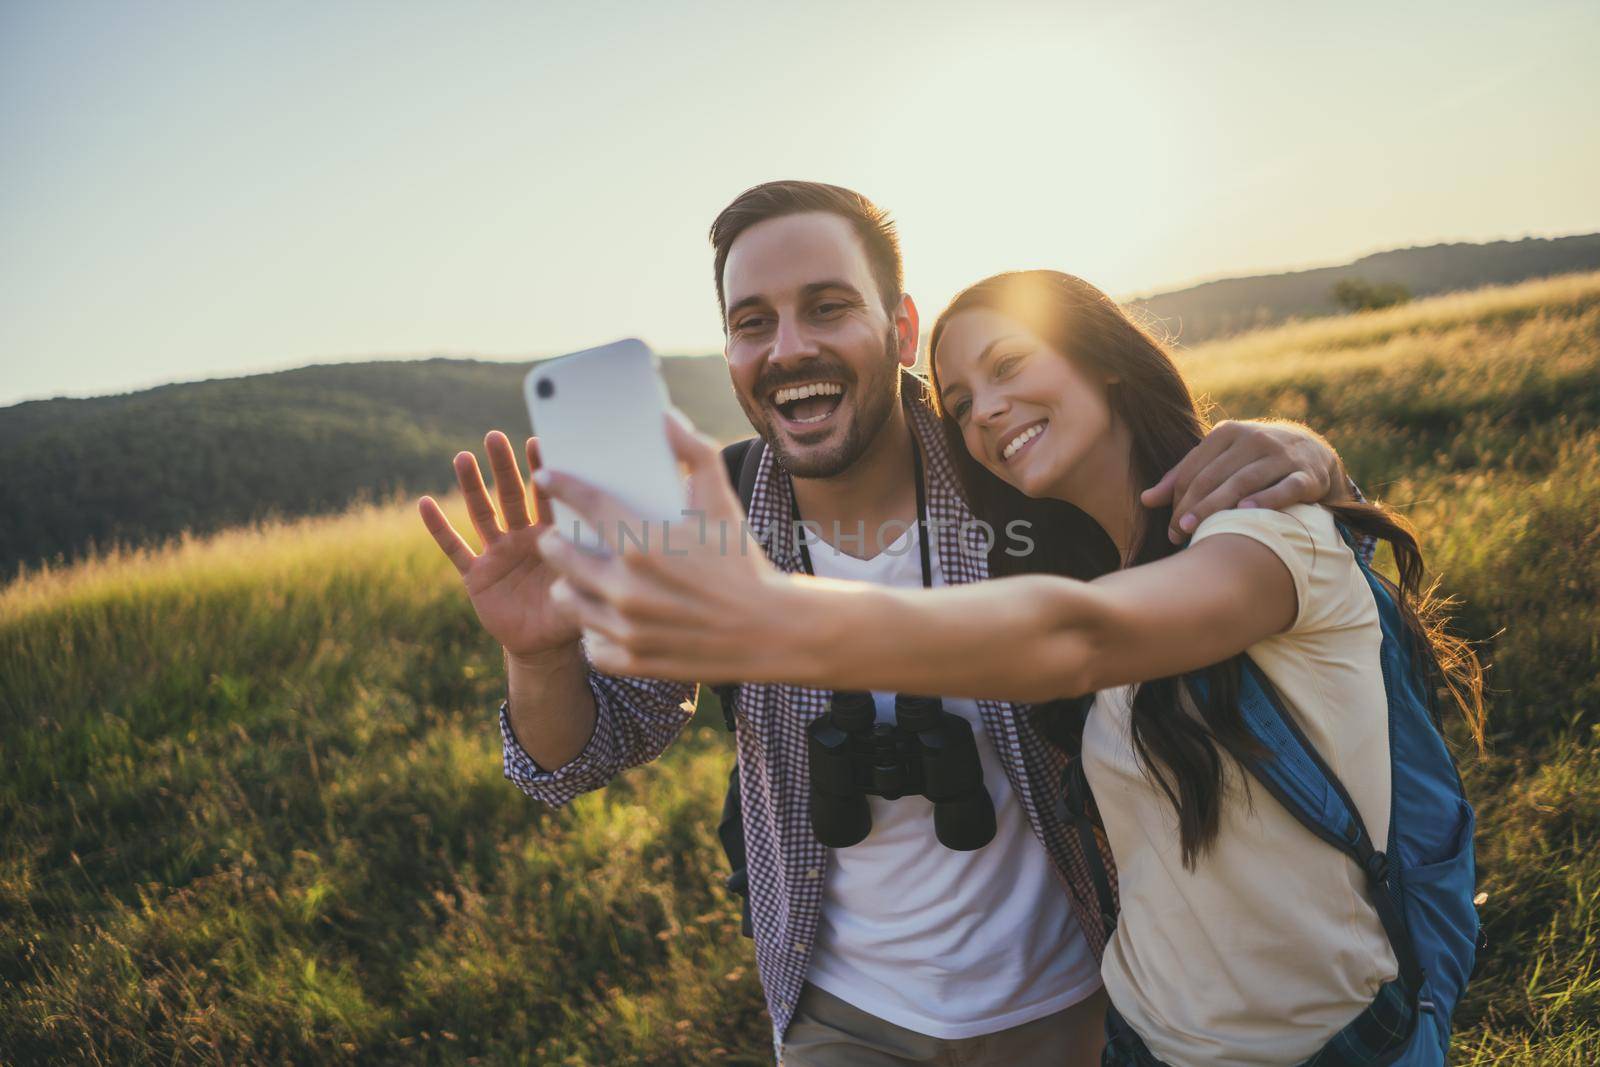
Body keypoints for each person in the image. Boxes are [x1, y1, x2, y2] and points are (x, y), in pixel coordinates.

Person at [419, 184, 1362, 1066]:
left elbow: (1154, 518)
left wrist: (1308, 454)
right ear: (730, 354)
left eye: (827, 306)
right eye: (753, 323)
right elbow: (594, 749)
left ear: (900, 327)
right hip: (837, 1010)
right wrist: (538, 657)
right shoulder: (712, 514)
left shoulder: (1011, 461)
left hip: (1072, 990)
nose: (789, 347)